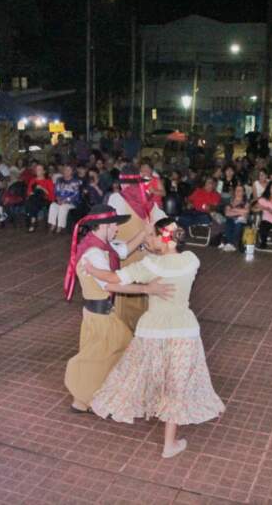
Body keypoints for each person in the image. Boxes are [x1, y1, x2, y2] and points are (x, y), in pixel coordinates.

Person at [87, 218, 225, 459]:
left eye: (151, 236)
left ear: (164, 238)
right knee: (176, 386)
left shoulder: (150, 265)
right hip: (184, 331)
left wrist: (91, 269)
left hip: (153, 331)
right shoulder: (192, 260)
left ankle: (131, 405)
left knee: (135, 374)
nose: (147, 240)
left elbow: (113, 279)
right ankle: (169, 444)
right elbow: (170, 263)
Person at [62, 205, 172, 413]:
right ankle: (85, 398)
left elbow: (124, 250)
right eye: (113, 225)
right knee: (109, 354)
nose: (117, 229)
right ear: (103, 226)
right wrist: (147, 288)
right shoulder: (94, 253)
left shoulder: (99, 245)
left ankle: (87, 400)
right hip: (101, 316)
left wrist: (145, 232)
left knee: (103, 356)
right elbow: (111, 285)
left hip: (97, 314)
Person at [107, 164, 167, 331]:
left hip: (126, 252)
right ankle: (145, 330)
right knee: (145, 293)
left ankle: (126, 332)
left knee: (126, 292)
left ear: (124, 183)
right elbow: (164, 222)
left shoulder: (116, 198)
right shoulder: (148, 199)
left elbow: (110, 225)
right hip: (146, 254)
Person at [48, 165, 81, 233]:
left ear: (72, 172)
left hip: (71, 202)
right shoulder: (59, 180)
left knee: (63, 207)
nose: (66, 171)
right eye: (65, 170)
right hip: (60, 200)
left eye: (69, 170)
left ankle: (60, 226)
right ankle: (53, 224)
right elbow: (56, 191)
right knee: (53, 205)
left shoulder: (75, 181)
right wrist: (58, 199)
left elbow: (76, 194)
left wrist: (66, 200)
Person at [25, 164, 55, 232]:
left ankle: (32, 222)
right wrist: (32, 193)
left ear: (44, 171)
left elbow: (51, 195)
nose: (37, 171)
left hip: (44, 199)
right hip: (34, 199)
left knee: (37, 194)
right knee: (33, 198)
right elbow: (28, 192)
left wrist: (42, 188)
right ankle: (33, 221)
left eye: (39, 169)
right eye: (36, 169)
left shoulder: (48, 181)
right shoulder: (33, 180)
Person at [220, 184, 250, 252]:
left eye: (240, 190)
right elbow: (227, 213)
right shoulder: (230, 201)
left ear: (243, 192)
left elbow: (246, 211)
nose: (238, 191)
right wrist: (240, 212)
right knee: (228, 223)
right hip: (231, 219)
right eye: (237, 190)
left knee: (238, 225)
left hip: (241, 220)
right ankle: (230, 243)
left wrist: (233, 209)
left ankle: (230, 244)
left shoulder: (246, 202)